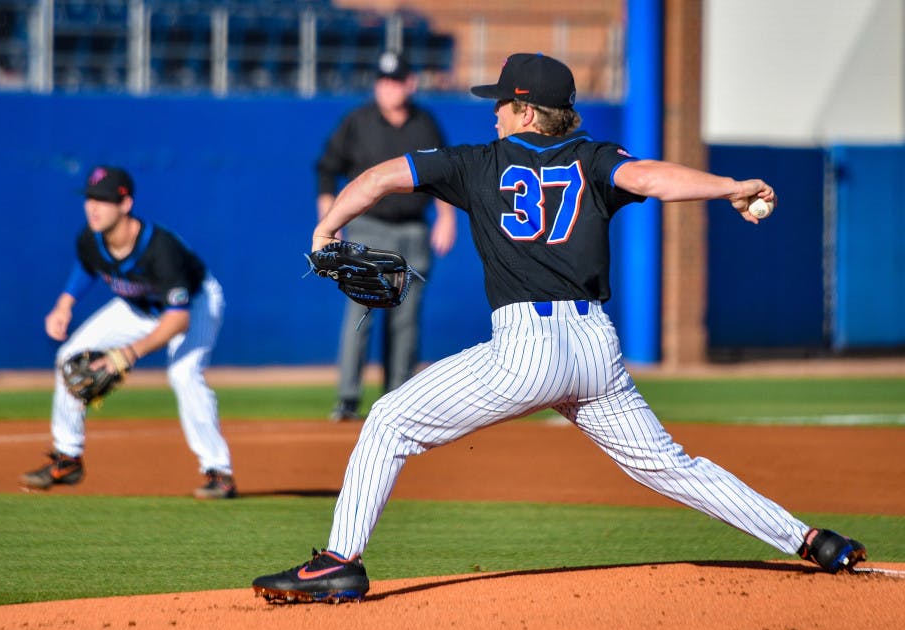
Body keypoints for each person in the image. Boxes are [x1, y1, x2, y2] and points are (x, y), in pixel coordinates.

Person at [251, 53, 867, 602]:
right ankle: (811, 539)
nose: (492, 112)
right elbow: (651, 177)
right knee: (671, 465)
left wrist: (325, 230)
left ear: (524, 110)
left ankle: (339, 562)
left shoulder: (476, 163)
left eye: (500, 101)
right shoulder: (594, 157)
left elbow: (377, 177)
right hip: (597, 352)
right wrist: (730, 186)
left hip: (526, 350)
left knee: (387, 421)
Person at [20, 165, 237, 500]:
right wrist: (64, 304)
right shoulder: (90, 238)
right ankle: (68, 458)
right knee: (68, 357)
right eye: (90, 198)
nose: (93, 206)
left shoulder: (160, 249)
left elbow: (178, 321)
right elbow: (86, 264)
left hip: (194, 304)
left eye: (103, 200)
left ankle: (218, 472)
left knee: (184, 374)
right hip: (139, 306)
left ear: (125, 204)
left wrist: (127, 354)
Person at [316, 50, 457, 421]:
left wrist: (446, 217)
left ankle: (398, 399)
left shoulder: (424, 123)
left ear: (410, 83)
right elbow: (327, 168)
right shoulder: (358, 121)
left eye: (396, 81)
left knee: (406, 319)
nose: (389, 88)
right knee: (361, 311)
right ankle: (347, 399)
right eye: (383, 81)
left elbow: (444, 174)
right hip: (367, 229)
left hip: (412, 228)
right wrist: (330, 222)